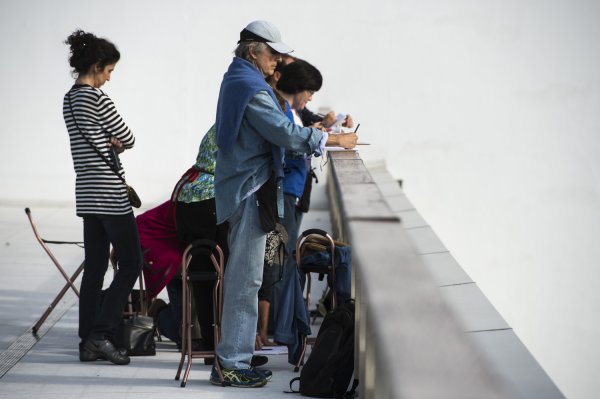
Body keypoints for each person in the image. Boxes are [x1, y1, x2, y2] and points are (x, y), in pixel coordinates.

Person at [212, 20, 357, 388]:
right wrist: (336, 140)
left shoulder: (238, 78)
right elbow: (285, 134)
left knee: (248, 279)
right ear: (253, 51)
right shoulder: (252, 88)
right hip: (248, 193)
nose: (278, 62)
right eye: (273, 54)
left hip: (246, 190)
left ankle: (236, 357)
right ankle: (231, 363)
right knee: (245, 281)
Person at [63, 29, 142, 365]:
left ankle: (86, 341)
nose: (109, 78)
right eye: (109, 71)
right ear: (96, 66)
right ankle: (102, 334)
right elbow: (128, 137)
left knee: (94, 268)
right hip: (110, 192)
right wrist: (119, 143)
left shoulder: (68, 99)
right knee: (131, 263)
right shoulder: (97, 99)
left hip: (86, 193)